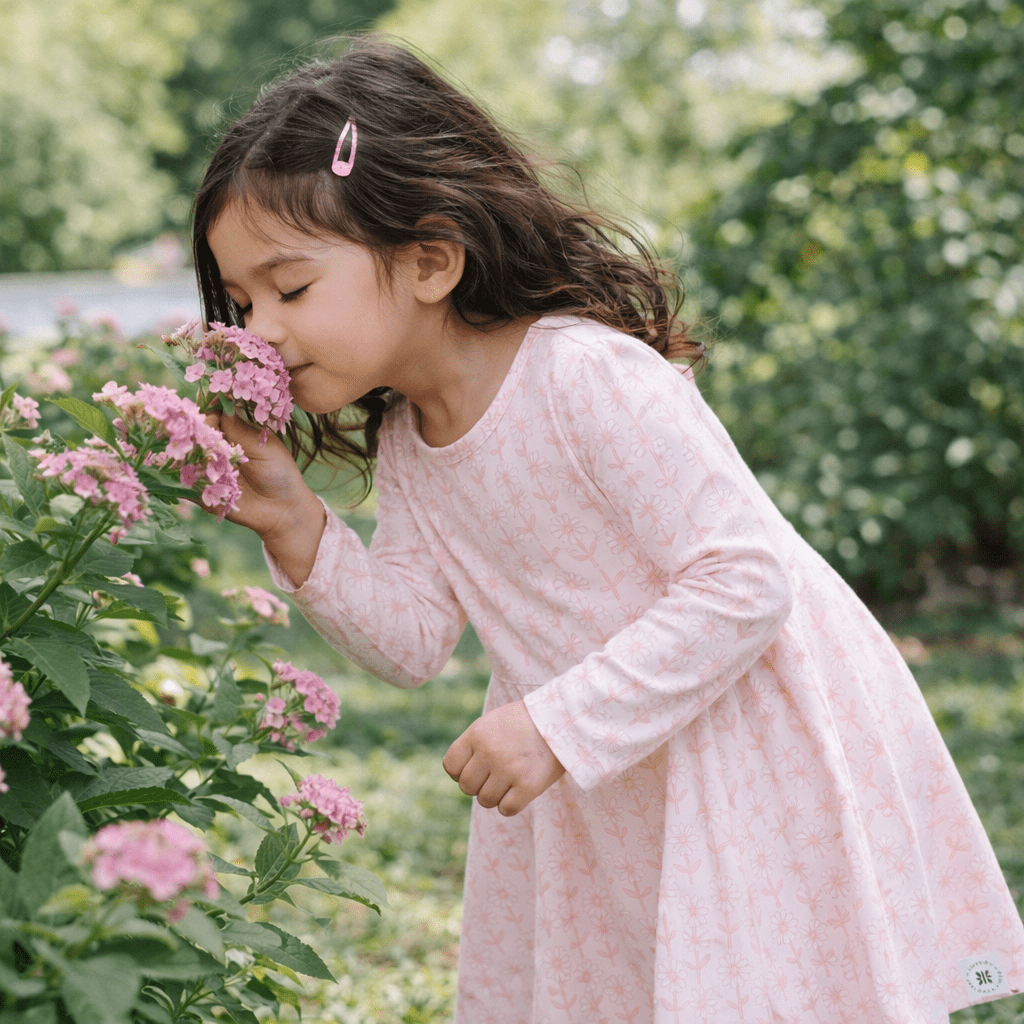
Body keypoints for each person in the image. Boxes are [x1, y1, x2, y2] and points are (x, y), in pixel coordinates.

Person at [191, 35, 1024, 1023]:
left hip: (735, 749)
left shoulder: (582, 376)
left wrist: (558, 723)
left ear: (430, 260)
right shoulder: (410, 440)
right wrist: (294, 521)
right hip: (607, 777)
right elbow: (413, 641)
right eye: (242, 301)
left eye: (290, 289)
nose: (261, 329)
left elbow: (746, 579)